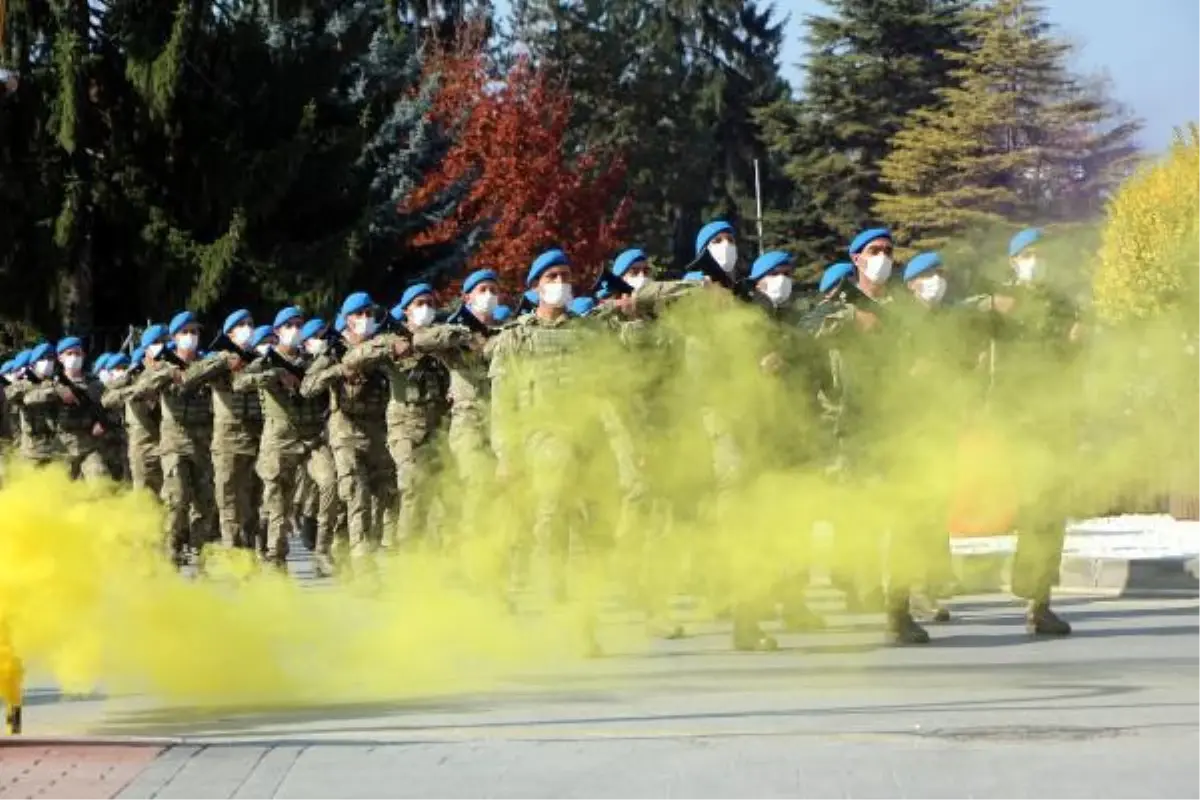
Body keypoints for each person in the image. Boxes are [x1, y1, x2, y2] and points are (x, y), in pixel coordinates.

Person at [301, 292, 408, 569]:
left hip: (378, 431)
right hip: (345, 433)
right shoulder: (334, 350)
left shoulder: (382, 346)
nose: (365, 320)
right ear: (347, 320)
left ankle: (349, 548)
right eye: (359, 315)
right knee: (356, 496)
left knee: (387, 496)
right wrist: (339, 370)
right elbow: (308, 387)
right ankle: (362, 569)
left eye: (369, 314)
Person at [234, 308, 339, 574]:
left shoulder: (310, 360)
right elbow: (240, 383)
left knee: (330, 482)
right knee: (278, 502)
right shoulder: (267, 360)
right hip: (279, 440)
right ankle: (276, 559)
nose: (295, 329)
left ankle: (323, 549)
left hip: (312, 437)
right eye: (289, 325)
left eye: (298, 325)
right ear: (278, 330)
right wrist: (275, 375)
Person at [130, 311, 218, 566]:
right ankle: (171, 550)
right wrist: (168, 375)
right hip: (174, 443)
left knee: (204, 502)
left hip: (203, 443)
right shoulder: (163, 366)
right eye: (185, 332)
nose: (191, 337)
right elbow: (139, 389)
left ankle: (199, 554)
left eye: (195, 332)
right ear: (175, 337)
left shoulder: (207, 365)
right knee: (177, 498)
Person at [20, 337, 114, 481]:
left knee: (100, 481)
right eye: (69, 353)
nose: (74, 357)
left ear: (83, 355)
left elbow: (112, 408)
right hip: (60, 447)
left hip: (90, 445)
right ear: (60, 358)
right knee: (63, 492)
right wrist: (56, 392)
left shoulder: (94, 384)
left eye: (77, 353)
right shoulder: (51, 383)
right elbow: (28, 398)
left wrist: (104, 423)